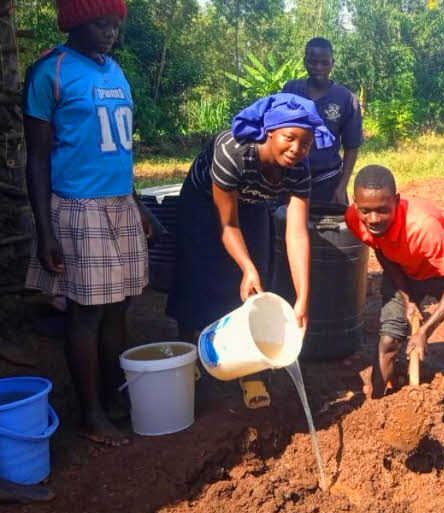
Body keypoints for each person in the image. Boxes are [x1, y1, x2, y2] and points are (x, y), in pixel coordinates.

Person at [23, 0, 152, 446]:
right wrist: (45, 229)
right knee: (87, 312)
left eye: (114, 25)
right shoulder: (50, 73)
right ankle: (90, 414)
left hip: (119, 203)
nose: (110, 33)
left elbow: (117, 148)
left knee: (120, 306)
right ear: (76, 24)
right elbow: (37, 158)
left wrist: (136, 203)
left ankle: (114, 397)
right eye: (101, 24)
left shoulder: (115, 72)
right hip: (79, 207)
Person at [165, 94, 333, 408]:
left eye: (306, 143)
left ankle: (248, 365)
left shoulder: (299, 168)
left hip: (253, 201)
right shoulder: (233, 152)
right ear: (270, 131)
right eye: (290, 137)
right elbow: (228, 225)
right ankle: (187, 350)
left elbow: (297, 233)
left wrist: (302, 298)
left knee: (257, 278)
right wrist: (246, 265)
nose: (297, 149)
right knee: (197, 270)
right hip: (204, 204)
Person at [344, 165, 444, 398]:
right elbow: (381, 251)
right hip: (403, 272)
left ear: (396, 201)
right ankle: (376, 404)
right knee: (388, 341)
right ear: (355, 203)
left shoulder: (423, 226)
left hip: (443, 277)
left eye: (382, 210)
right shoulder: (354, 220)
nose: (373, 219)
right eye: (365, 211)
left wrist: (425, 331)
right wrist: (408, 299)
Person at [282, 37, 362, 206]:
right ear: (305, 62)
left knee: (330, 224)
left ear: (332, 63)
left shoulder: (345, 98)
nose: (319, 68)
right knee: (285, 222)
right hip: (289, 182)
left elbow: (352, 146)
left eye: (325, 63)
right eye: (313, 62)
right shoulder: (291, 90)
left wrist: (341, 187)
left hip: (328, 184)